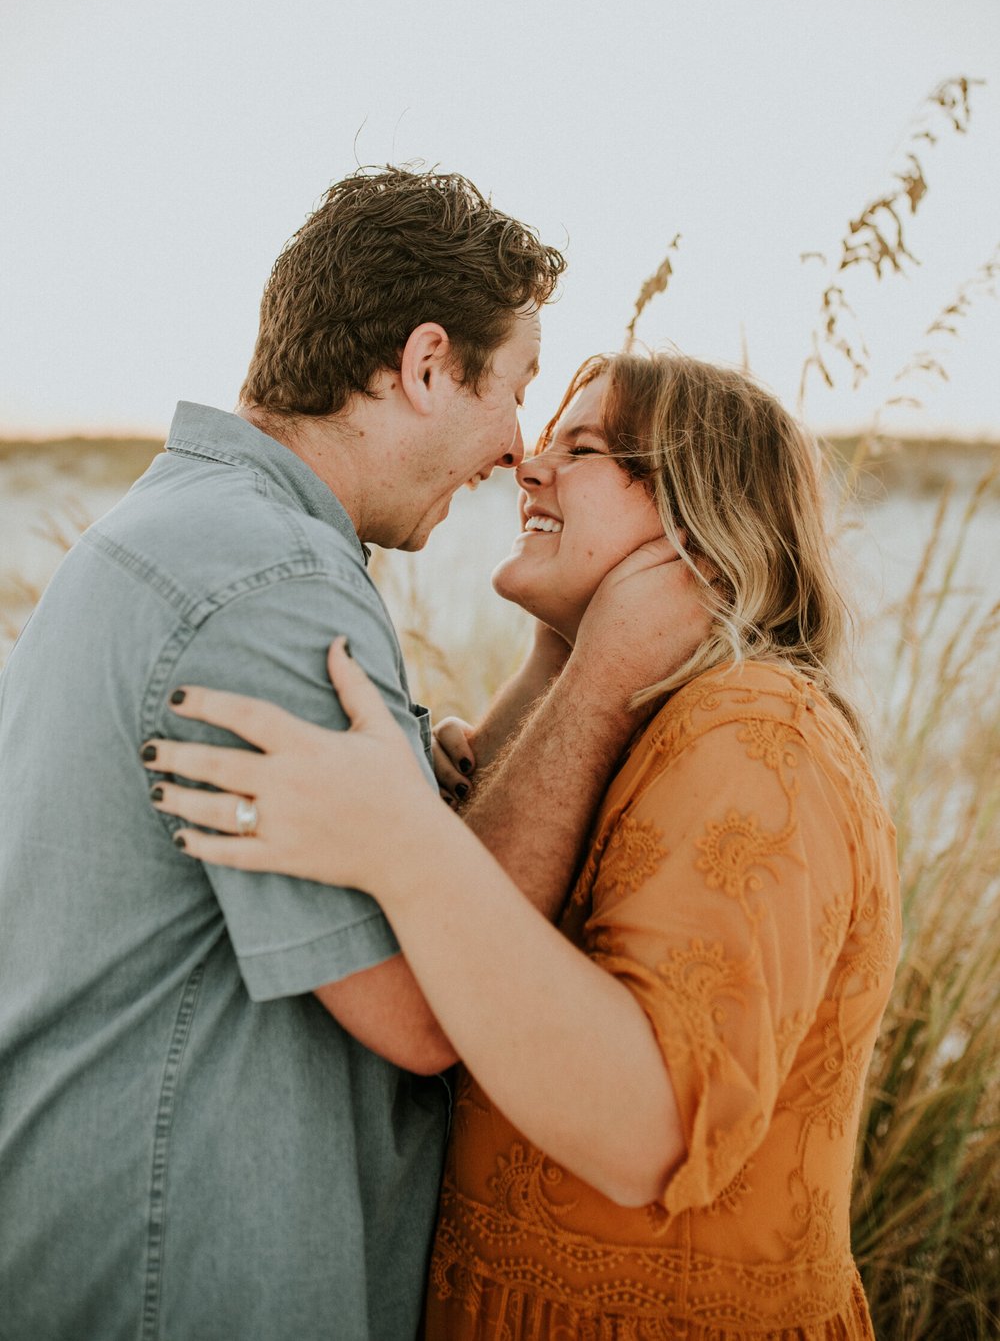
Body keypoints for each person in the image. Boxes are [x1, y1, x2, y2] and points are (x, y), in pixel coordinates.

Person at [0, 169, 709, 1341]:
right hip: (175, 1271)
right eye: (516, 392)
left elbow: (399, 859)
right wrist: (602, 677)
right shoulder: (268, 589)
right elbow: (434, 1006)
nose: (511, 450)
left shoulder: (186, 531)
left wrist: (537, 667)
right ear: (428, 364)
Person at [145, 350, 901, 1339]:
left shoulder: (753, 735)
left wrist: (400, 839)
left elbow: (645, 1128)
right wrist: (566, 659)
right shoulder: (650, 716)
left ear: (698, 529)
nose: (527, 467)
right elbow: (489, 935)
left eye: (580, 448)